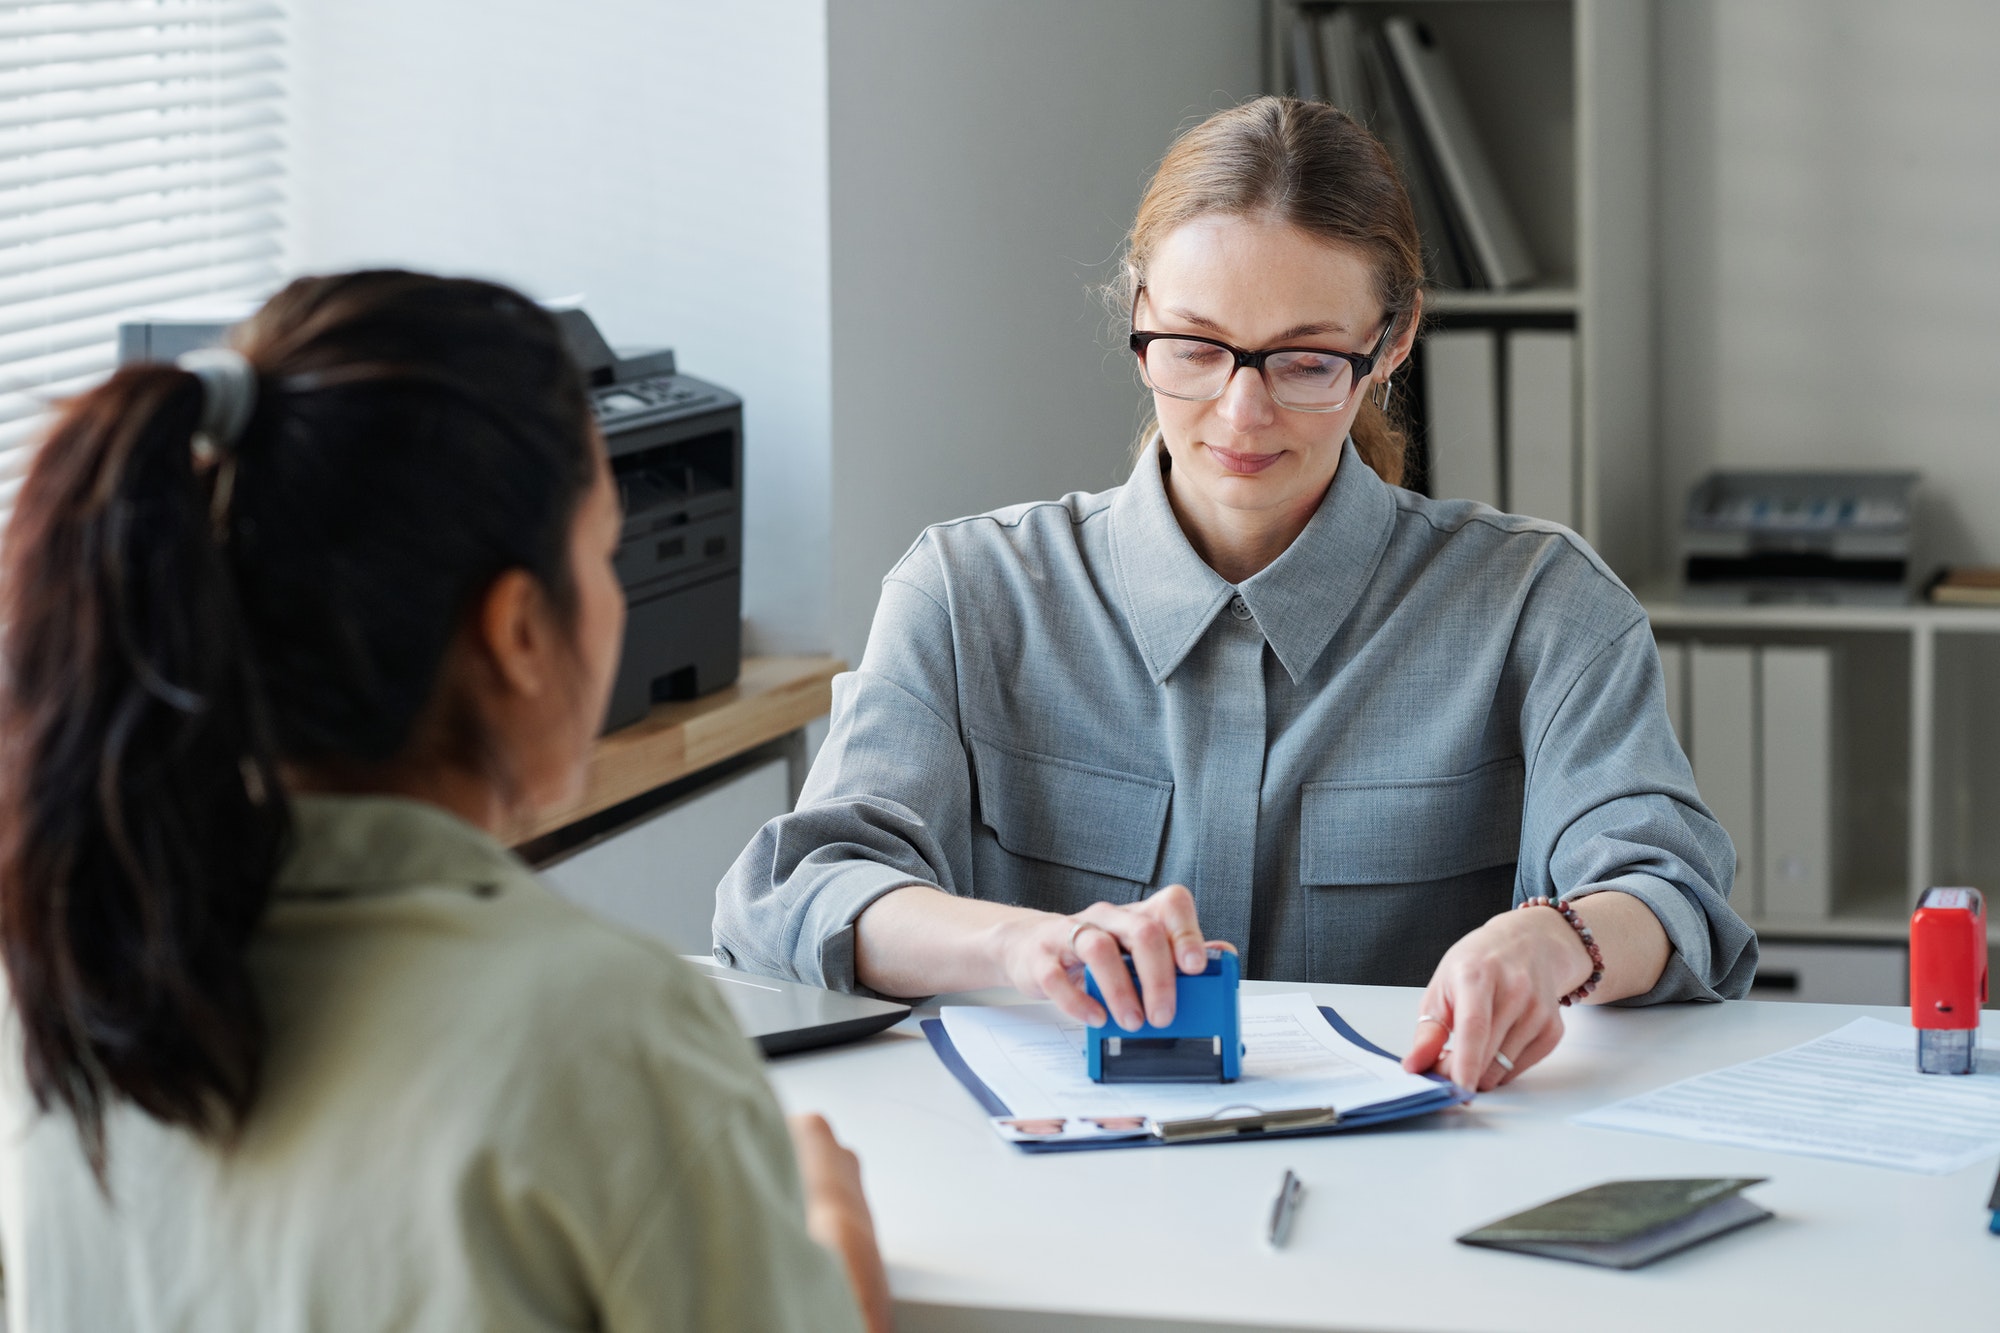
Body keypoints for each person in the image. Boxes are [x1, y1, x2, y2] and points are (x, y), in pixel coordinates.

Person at [715, 96, 1757, 1094]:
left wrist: (1554, 939)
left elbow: (1669, 891)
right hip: (1058, 1196)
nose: (1241, 410)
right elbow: (791, 898)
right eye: (1195, 348)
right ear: (1137, 318)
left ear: (1389, 344)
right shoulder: (966, 593)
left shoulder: (1541, 603)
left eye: (1305, 361)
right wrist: (1031, 944)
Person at [0, 271, 891, 1332]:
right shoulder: (602, 1031)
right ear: (516, 631)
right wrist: (828, 1219)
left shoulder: (65, 988)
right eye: (602, 552)